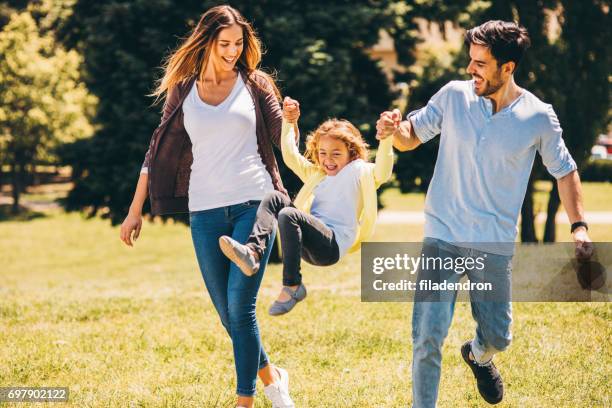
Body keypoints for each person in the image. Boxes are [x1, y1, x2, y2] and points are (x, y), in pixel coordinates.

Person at [376, 20, 593, 407]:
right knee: (427, 335)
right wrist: (394, 130)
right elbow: (411, 136)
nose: (470, 69)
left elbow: (565, 171)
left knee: (498, 336)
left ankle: (478, 355)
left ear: (507, 68)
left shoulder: (538, 117)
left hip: (492, 244)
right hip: (442, 234)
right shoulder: (453, 96)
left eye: (480, 63)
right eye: (470, 60)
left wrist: (578, 226)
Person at [119, 5, 297, 408]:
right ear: (206, 41)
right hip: (205, 212)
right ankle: (273, 376)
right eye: (225, 44)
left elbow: (280, 137)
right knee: (227, 314)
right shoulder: (184, 89)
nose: (233, 51)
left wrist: (291, 121)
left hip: (255, 202)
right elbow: (157, 148)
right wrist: (135, 209)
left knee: (242, 306)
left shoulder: (255, 84)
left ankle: (246, 400)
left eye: (238, 44)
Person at [219, 96, 394, 315]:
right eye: (322, 153)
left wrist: (386, 139)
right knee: (274, 198)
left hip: (331, 246)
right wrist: (289, 122)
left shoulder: (360, 171)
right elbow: (291, 156)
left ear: (352, 153)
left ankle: (292, 285)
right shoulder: (318, 174)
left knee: (289, 215)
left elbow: (383, 171)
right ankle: (253, 252)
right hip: (307, 242)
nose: (328, 160)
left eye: (336, 154)